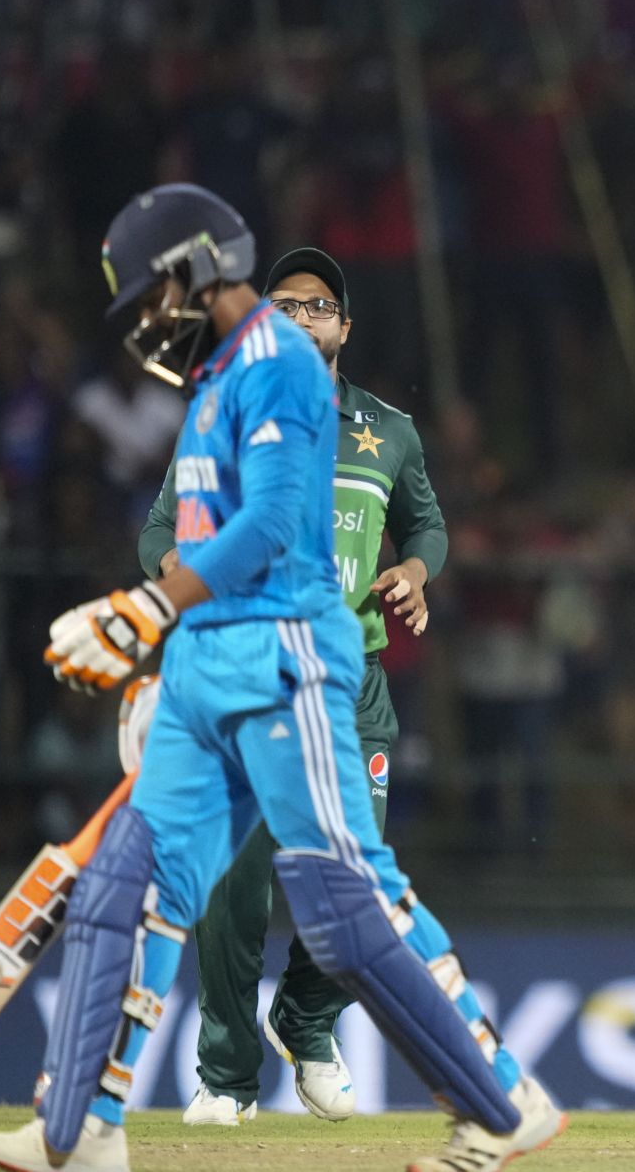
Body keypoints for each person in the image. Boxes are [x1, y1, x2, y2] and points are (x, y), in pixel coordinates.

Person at [0, 185, 563, 1172]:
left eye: (151, 294)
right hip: (208, 662)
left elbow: (273, 523)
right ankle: (76, 1133)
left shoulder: (283, 363)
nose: (144, 323)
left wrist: (145, 608)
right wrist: (163, 624)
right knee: (123, 882)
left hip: (285, 657)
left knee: (341, 902)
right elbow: (200, 528)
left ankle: (502, 1105)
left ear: (201, 265)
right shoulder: (216, 380)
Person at [136, 247, 446, 1125]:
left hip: (349, 686)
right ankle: (226, 1079)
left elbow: (426, 520)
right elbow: (162, 523)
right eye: (283, 305)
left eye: (318, 306)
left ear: (345, 327)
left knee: (357, 885)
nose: (302, 316)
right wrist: (183, 571)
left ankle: (306, 1022)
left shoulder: (388, 431)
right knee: (235, 890)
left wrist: (417, 570)